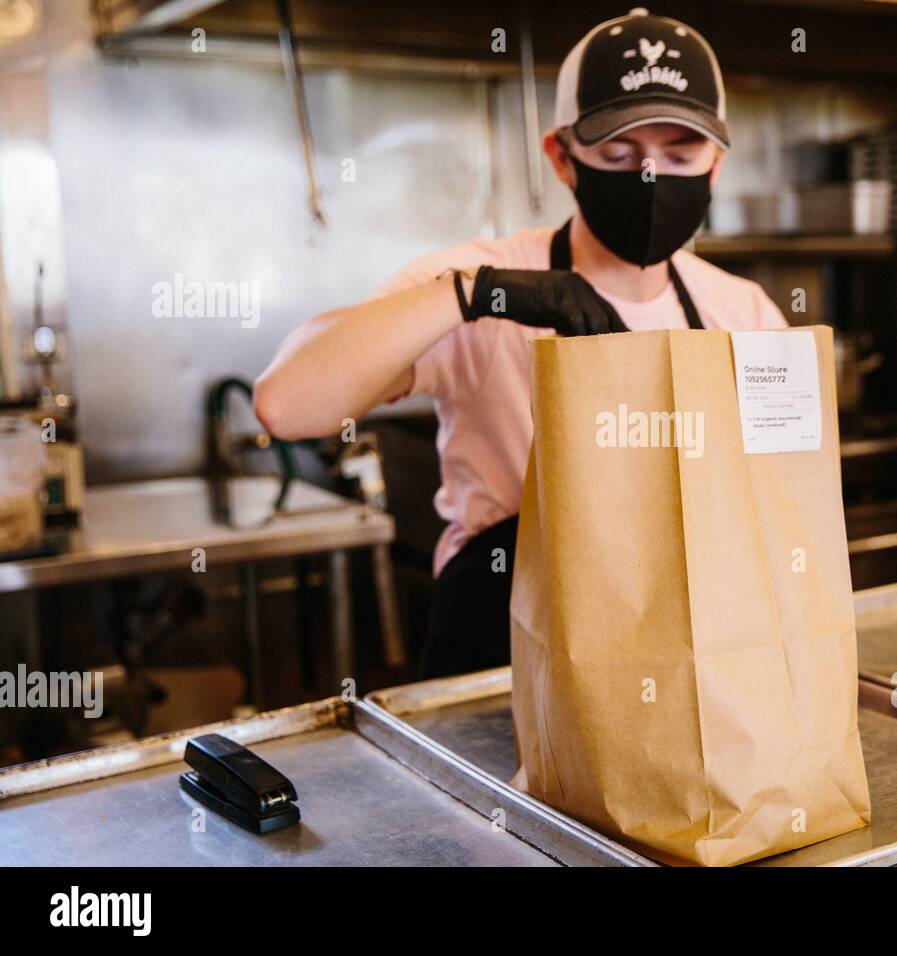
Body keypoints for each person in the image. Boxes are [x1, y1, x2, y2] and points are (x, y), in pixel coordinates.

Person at [254, 8, 787, 677]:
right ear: (561, 156)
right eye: (620, 155)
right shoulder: (479, 286)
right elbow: (286, 405)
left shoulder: (747, 314)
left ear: (716, 168)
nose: (651, 178)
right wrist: (473, 294)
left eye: (679, 155)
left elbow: (782, 513)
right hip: (502, 651)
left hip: (685, 658)